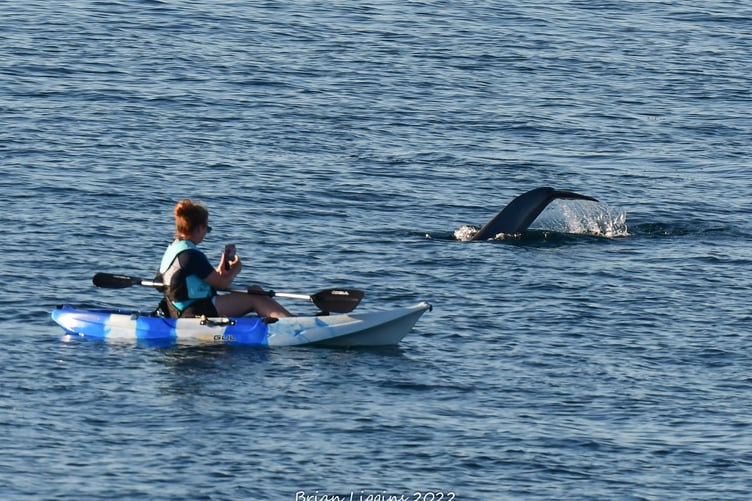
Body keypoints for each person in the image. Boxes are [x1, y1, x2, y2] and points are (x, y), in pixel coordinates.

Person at [156, 199, 293, 319]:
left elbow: (190, 281)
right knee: (255, 296)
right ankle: (294, 324)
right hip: (194, 310)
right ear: (198, 228)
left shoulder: (174, 248)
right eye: (207, 229)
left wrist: (219, 273)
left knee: (255, 289)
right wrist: (235, 270)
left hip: (183, 307)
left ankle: (286, 319)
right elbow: (221, 285)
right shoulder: (190, 255)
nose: (205, 234)